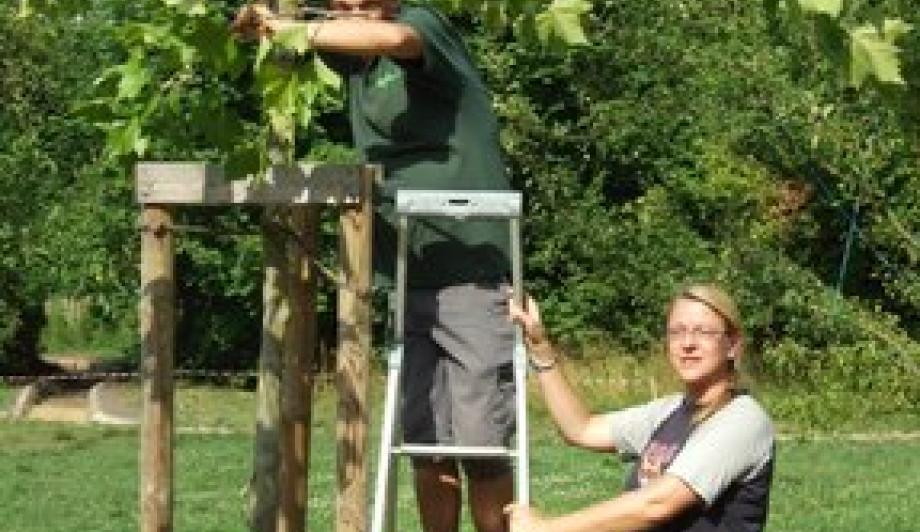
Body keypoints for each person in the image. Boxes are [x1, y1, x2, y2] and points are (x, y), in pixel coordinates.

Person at [232, 3, 516, 532]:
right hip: (407, 278)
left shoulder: (422, 25)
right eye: (339, 1)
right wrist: (256, 21)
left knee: (481, 444)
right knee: (425, 444)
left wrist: (296, 26)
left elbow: (395, 38)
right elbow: (292, 39)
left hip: (470, 272)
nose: (350, 6)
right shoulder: (356, 65)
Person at [506, 284, 775, 532]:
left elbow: (657, 504)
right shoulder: (668, 411)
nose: (688, 343)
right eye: (677, 331)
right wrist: (541, 349)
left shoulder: (743, 420)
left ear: (732, 344)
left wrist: (549, 529)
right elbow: (582, 429)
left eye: (703, 331)